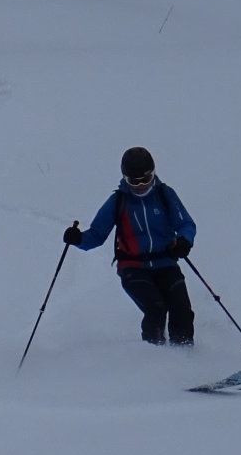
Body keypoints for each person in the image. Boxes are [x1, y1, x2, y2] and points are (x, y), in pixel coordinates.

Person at [61, 146, 198, 346]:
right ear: (125, 178)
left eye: (146, 179)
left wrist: (185, 241)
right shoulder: (118, 201)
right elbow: (97, 235)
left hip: (166, 263)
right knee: (156, 308)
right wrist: (78, 239)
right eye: (134, 181)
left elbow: (186, 224)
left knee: (181, 309)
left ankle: (184, 354)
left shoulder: (165, 195)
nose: (141, 185)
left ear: (153, 173)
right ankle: (155, 355)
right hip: (133, 268)